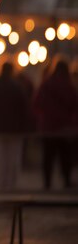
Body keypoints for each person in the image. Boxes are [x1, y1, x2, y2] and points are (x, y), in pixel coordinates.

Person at [0, 62, 30, 190]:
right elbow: (24, 109)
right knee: (13, 157)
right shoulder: (18, 88)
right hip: (15, 128)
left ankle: (0, 182)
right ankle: (11, 183)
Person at [33, 59, 78, 189]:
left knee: (48, 156)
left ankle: (47, 182)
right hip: (64, 128)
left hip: (48, 127)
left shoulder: (46, 84)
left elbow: (37, 103)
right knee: (65, 156)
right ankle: (66, 180)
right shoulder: (70, 86)